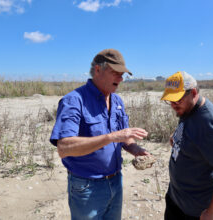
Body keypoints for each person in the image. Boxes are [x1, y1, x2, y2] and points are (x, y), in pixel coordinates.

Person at [50, 48, 150, 220]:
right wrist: (112, 137)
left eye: (122, 75)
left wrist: (135, 149)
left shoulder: (117, 100)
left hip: (115, 181)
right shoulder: (74, 100)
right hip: (87, 186)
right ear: (98, 70)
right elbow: (64, 147)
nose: (120, 79)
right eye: (116, 73)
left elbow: (125, 137)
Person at [161, 71, 213, 220]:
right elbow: (192, 133)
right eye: (170, 100)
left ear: (193, 92)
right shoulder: (187, 109)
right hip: (176, 200)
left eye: (177, 100)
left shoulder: (211, 123)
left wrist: (212, 212)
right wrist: (176, 138)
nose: (173, 105)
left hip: (197, 211)